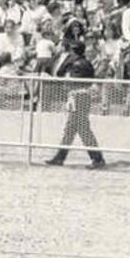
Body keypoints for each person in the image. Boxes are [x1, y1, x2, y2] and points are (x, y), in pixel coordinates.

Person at [44, 41, 107, 169]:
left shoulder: (77, 64)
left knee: (83, 128)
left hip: (78, 96)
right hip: (80, 96)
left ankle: (97, 158)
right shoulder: (86, 62)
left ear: (73, 51)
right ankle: (59, 157)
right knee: (70, 129)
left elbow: (71, 82)